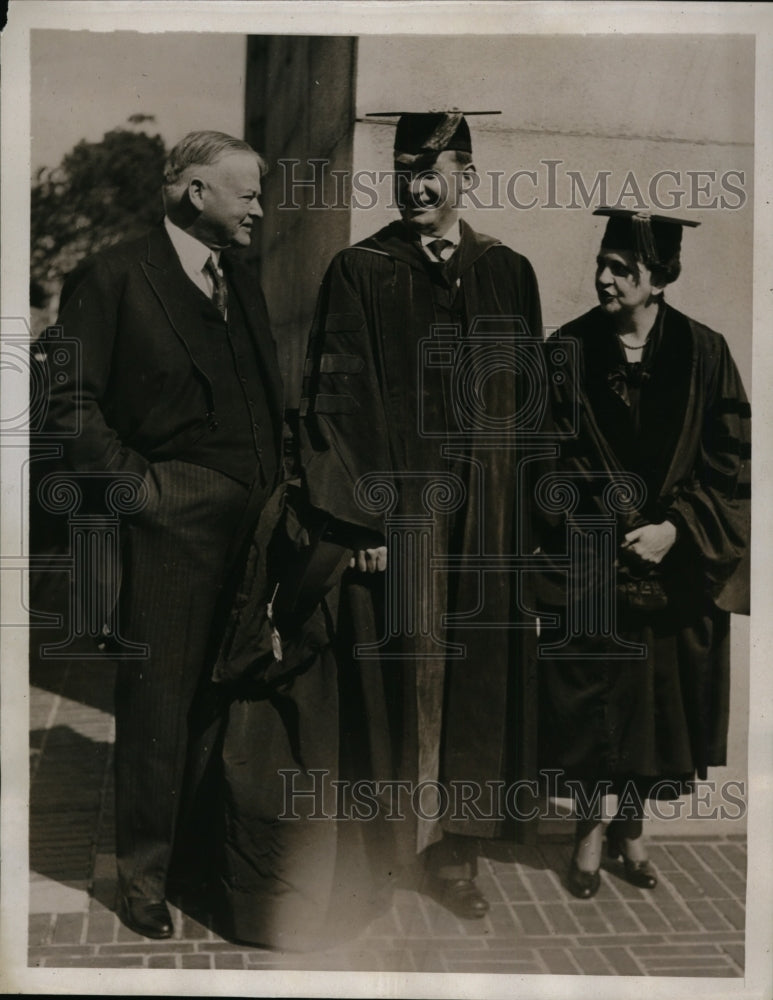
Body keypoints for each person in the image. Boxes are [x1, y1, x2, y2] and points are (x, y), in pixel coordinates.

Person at [298, 111, 548, 919]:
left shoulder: (508, 273)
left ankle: (456, 854)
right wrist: (362, 523)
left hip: (486, 525)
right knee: (392, 686)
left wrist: (527, 534)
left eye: (432, 169)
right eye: (405, 169)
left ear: (466, 176)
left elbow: (534, 414)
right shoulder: (359, 270)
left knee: (472, 687)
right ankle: (379, 855)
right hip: (400, 520)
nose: (415, 184)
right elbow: (334, 405)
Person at [35, 131, 284, 938]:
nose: (259, 208)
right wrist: (143, 493)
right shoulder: (112, 276)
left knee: (219, 702)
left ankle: (196, 865)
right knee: (158, 709)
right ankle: (142, 880)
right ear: (193, 192)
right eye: (246, 192)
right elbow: (68, 399)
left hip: (248, 532)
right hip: (167, 529)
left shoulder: (236, 279)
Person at [537, 208, 751, 899]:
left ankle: (630, 829)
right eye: (602, 261)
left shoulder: (704, 352)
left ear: (658, 278)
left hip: (673, 567)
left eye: (622, 268)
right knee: (595, 703)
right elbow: (543, 457)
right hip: (594, 560)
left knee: (658, 710)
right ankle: (588, 831)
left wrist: (676, 527)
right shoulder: (566, 348)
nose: (603, 276)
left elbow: (729, 462)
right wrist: (596, 520)